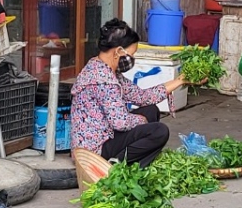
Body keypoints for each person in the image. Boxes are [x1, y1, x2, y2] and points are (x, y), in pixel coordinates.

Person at [71, 19, 190, 167]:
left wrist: (180, 80)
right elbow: (120, 122)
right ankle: (115, 166)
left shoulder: (103, 67)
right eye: (131, 54)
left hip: (106, 134)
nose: (132, 58)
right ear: (119, 51)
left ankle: (131, 160)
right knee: (159, 132)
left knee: (151, 110)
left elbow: (143, 97)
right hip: (94, 150)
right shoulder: (103, 80)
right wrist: (141, 121)